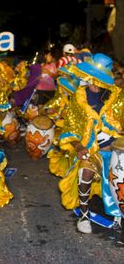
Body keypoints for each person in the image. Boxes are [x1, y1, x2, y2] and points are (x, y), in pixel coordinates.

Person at [58, 53, 124, 234]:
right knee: (85, 171)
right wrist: (78, 146)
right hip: (92, 151)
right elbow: (69, 130)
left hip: (117, 152)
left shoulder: (118, 97)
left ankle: (119, 215)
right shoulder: (78, 101)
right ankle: (84, 215)